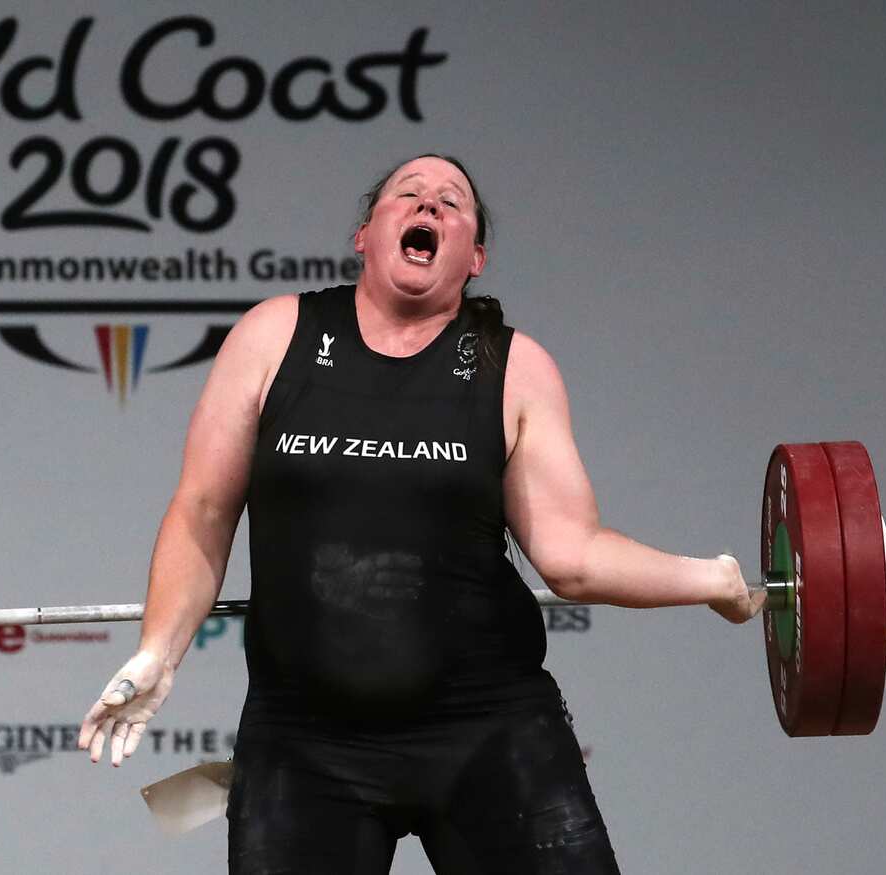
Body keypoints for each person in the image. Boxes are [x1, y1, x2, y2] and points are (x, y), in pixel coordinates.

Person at [78, 154, 763, 874]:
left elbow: (572, 555)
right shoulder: (274, 336)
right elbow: (204, 510)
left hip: (488, 729)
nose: (429, 206)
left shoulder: (514, 367)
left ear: (475, 257)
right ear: (366, 235)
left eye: (452, 203)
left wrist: (713, 578)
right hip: (304, 743)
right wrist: (159, 648)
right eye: (408, 195)